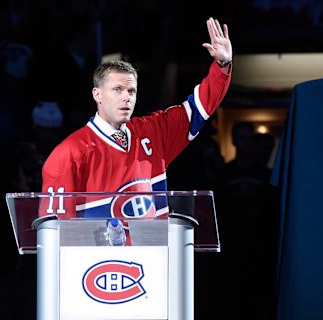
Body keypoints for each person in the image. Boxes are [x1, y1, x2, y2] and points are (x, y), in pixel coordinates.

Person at [41, 17, 232, 219]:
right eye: (117, 89)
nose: (126, 97)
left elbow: (200, 107)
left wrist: (222, 64)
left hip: (152, 250)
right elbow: (56, 233)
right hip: (99, 251)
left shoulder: (152, 131)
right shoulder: (70, 152)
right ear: (97, 94)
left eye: (131, 91)